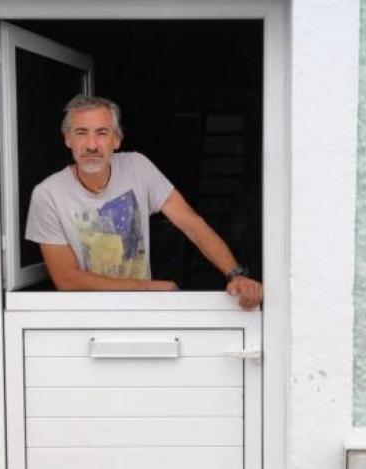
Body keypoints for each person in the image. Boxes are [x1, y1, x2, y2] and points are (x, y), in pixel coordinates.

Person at [25, 95, 264, 310]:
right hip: (86, 316)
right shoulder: (48, 194)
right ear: (68, 139)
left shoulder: (137, 167)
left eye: (102, 133)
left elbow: (191, 223)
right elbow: (67, 280)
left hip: (142, 312)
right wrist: (147, 287)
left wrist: (236, 274)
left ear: (116, 140)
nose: (91, 145)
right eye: (81, 133)